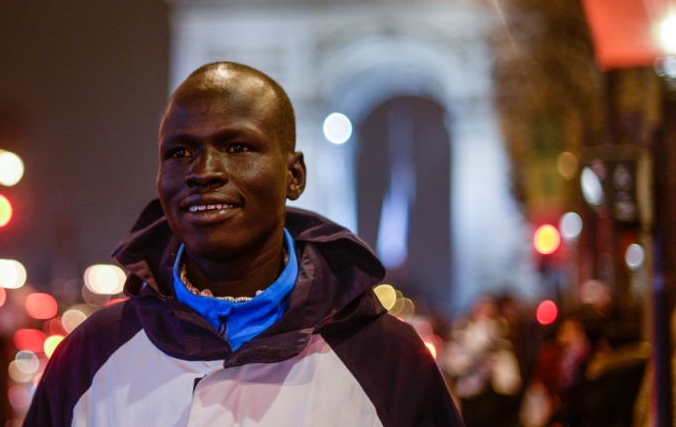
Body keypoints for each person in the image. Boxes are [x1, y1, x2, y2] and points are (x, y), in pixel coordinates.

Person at [23, 62, 462, 426]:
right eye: (179, 153)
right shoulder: (86, 354)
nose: (204, 171)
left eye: (236, 146)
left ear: (294, 176)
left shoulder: (392, 361)